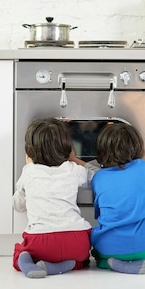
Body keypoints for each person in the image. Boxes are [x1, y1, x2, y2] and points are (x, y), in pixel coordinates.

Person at [12, 118, 94, 278]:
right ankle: (63, 266)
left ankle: (24, 259)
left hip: (40, 241)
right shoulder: (72, 169)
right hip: (75, 240)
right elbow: (99, 176)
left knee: (22, 249)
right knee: (82, 259)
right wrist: (74, 160)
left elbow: (18, 206)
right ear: (67, 148)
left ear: (29, 151)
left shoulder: (29, 171)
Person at [90, 122, 145, 274]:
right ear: (137, 146)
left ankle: (108, 262)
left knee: (99, 248)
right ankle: (137, 258)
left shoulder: (98, 177)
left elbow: (99, 214)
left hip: (107, 247)